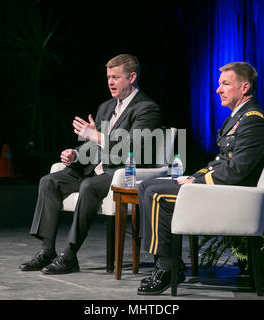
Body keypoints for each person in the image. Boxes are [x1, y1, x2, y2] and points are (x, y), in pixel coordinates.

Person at [136, 62, 264, 295]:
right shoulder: (239, 116)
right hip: (222, 189)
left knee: (155, 194)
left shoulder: (253, 119)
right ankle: (166, 262)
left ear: (244, 87)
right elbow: (221, 161)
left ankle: (167, 267)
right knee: (146, 186)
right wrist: (194, 177)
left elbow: (236, 171)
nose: (218, 89)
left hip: (233, 197)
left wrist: (197, 184)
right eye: (219, 83)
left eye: (225, 84)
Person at [20, 54, 162, 274]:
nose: (110, 82)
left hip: (121, 173)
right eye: (108, 77)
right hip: (93, 169)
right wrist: (76, 155)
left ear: (132, 77)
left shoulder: (146, 108)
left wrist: (95, 135)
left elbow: (133, 148)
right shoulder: (106, 107)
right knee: (49, 181)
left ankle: (69, 255)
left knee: (88, 186)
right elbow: (94, 147)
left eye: (115, 77)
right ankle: (47, 250)